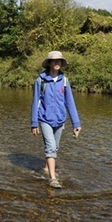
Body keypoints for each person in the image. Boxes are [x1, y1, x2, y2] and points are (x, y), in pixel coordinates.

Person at [31, 51, 81, 189]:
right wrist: (34, 123)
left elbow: (70, 102)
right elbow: (35, 102)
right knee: (51, 147)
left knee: (55, 148)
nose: (57, 63)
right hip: (44, 118)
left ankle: (46, 168)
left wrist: (76, 123)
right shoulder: (40, 81)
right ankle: (52, 179)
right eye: (54, 61)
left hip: (60, 119)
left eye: (59, 61)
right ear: (49, 63)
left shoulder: (64, 81)